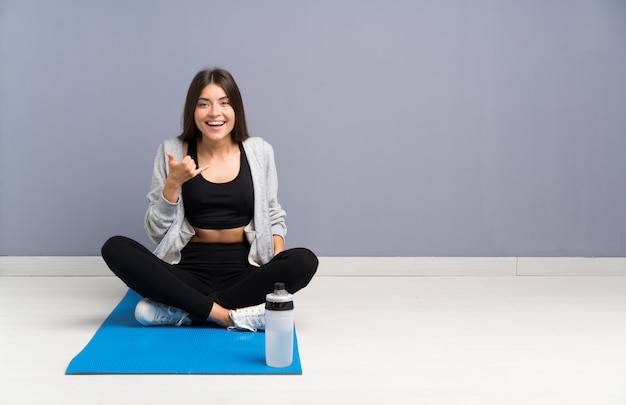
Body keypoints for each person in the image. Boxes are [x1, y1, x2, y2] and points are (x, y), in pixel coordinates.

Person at [101, 68, 318, 331]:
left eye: (224, 103)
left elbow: (273, 214)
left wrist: (275, 267)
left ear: (235, 109)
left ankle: (186, 310)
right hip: (186, 271)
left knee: (304, 260)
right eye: (204, 104)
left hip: (245, 271)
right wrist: (173, 184)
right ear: (193, 111)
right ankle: (228, 316)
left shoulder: (260, 151)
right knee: (115, 247)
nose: (215, 113)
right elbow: (156, 232)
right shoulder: (172, 151)